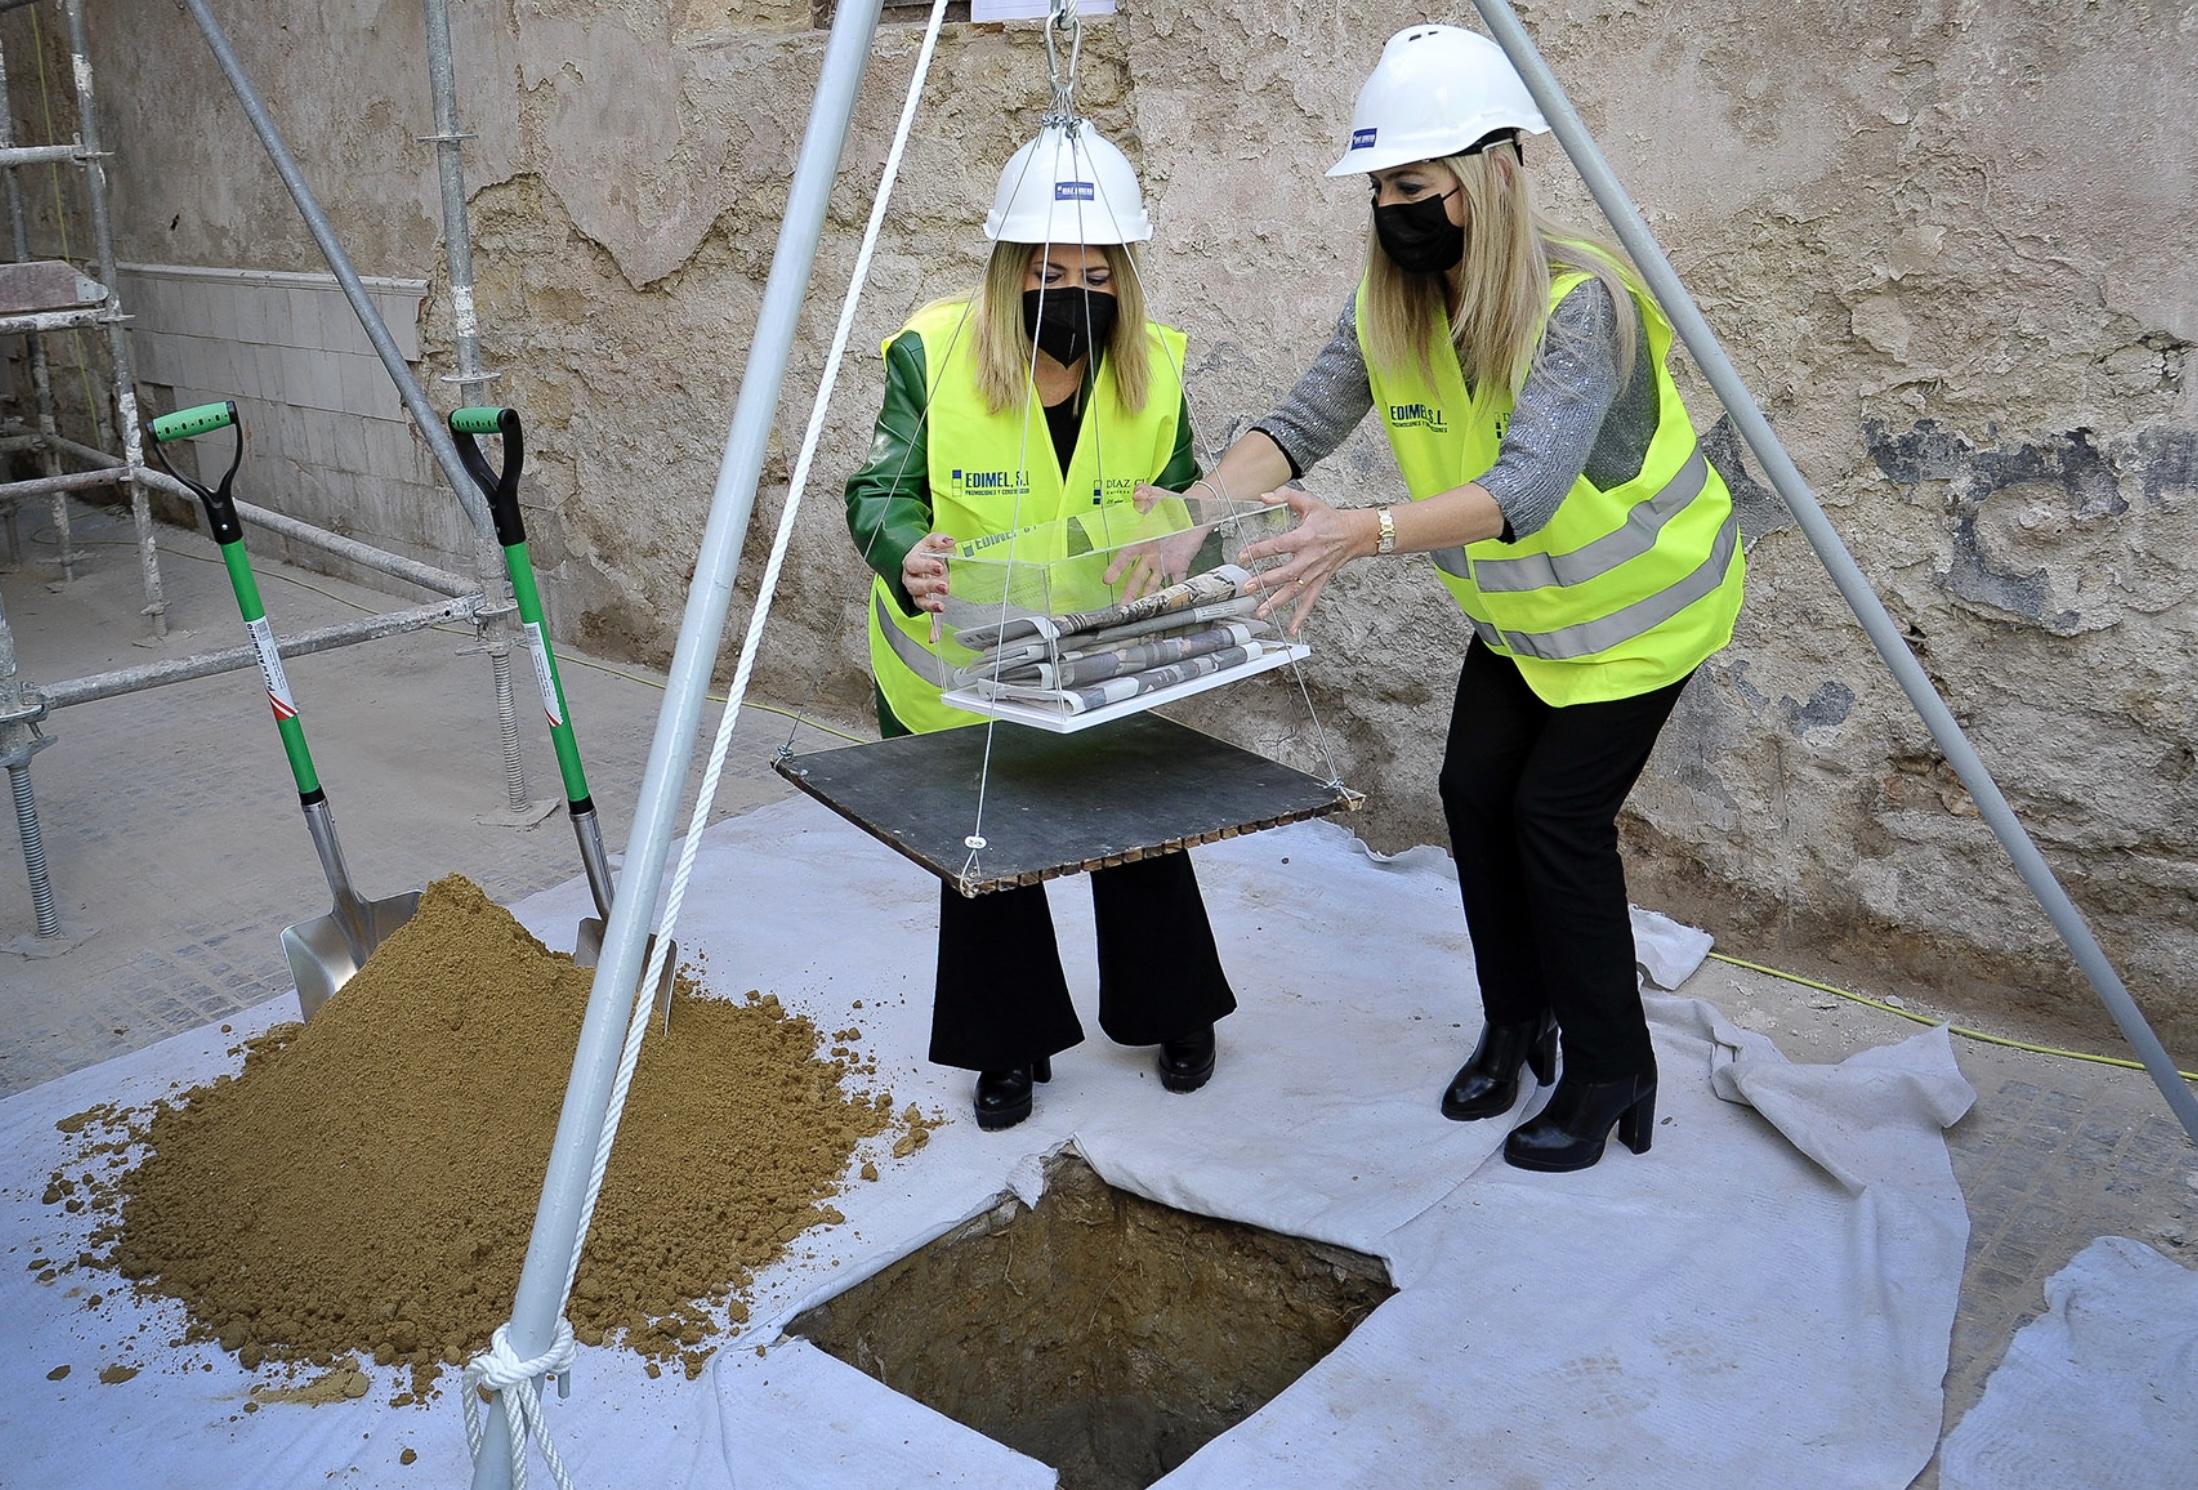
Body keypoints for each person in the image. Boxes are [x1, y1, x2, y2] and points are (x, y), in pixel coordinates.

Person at [1203, 24, 1745, 1172]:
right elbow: (1299, 424)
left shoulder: (1576, 305)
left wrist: (1365, 532)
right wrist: (1195, 506)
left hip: (1645, 614)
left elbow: (1527, 487)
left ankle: (1611, 1066)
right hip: (1524, 620)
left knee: (1553, 819)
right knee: (1469, 794)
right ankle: (1516, 1019)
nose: (1389, 206)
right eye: (1378, 187)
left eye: (1412, 183)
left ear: (1489, 174)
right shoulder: (1387, 312)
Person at [842, 123, 1238, 1132]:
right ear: (1009, 267)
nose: (1073, 291)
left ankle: (1172, 1008)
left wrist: (1179, 520)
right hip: (961, 669)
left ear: (1125, 276)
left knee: (1137, 830)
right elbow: (876, 491)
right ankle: (1006, 1044)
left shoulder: (1152, 362)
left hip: (1097, 657)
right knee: (987, 856)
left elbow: (1186, 493)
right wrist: (905, 552)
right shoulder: (934, 352)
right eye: (1049, 269)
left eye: (1097, 273)